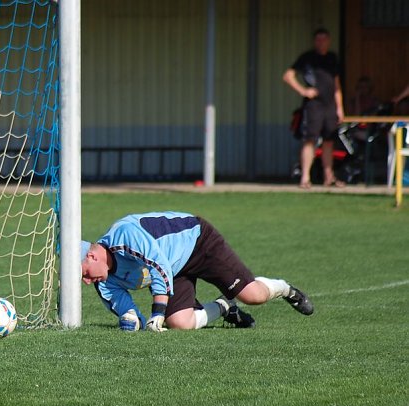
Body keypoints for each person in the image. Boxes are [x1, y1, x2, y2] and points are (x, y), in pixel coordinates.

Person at [80, 212, 313, 332]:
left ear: (92, 256)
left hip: (198, 242)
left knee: (253, 296)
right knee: (180, 323)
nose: (87, 282)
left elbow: (158, 264)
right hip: (174, 268)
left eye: (85, 273)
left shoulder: (124, 235)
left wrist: (157, 311)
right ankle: (225, 307)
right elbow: (126, 310)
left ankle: (286, 289)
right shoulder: (104, 281)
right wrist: (132, 321)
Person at [283, 28, 345, 189]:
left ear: (329, 41)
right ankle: (305, 178)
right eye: (318, 39)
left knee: (329, 140)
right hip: (314, 106)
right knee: (309, 139)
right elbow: (288, 76)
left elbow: (337, 85)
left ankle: (328, 176)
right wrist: (303, 91)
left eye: (324, 39)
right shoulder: (307, 58)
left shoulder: (332, 58)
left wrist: (340, 107)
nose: (321, 42)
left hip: (330, 105)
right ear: (314, 41)